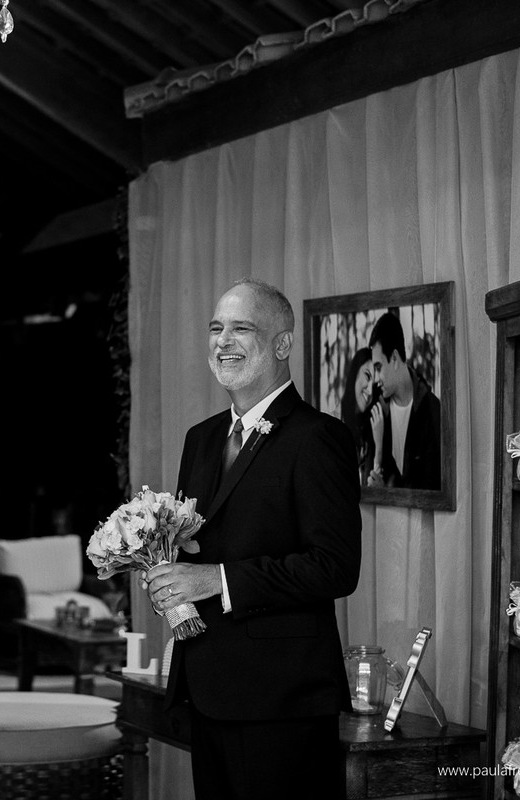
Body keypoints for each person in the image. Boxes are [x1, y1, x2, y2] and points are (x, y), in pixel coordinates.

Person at [145, 279, 362, 800]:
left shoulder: (318, 438)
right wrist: (164, 572)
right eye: (216, 328)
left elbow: (334, 566)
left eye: (241, 328)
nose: (224, 340)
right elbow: (197, 544)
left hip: (281, 698)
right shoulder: (201, 438)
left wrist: (215, 580)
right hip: (206, 687)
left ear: (283, 345)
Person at [366, 311, 442, 490]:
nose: (376, 378)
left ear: (393, 358)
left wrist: (387, 492)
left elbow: (433, 487)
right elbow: (368, 483)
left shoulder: (432, 409)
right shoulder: (376, 410)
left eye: (378, 367)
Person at [339, 346, 380, 485]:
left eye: (374, 386)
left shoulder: (371, 431)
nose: (369, 391)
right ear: (355, 373)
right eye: (367, 376)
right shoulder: (331, 423)